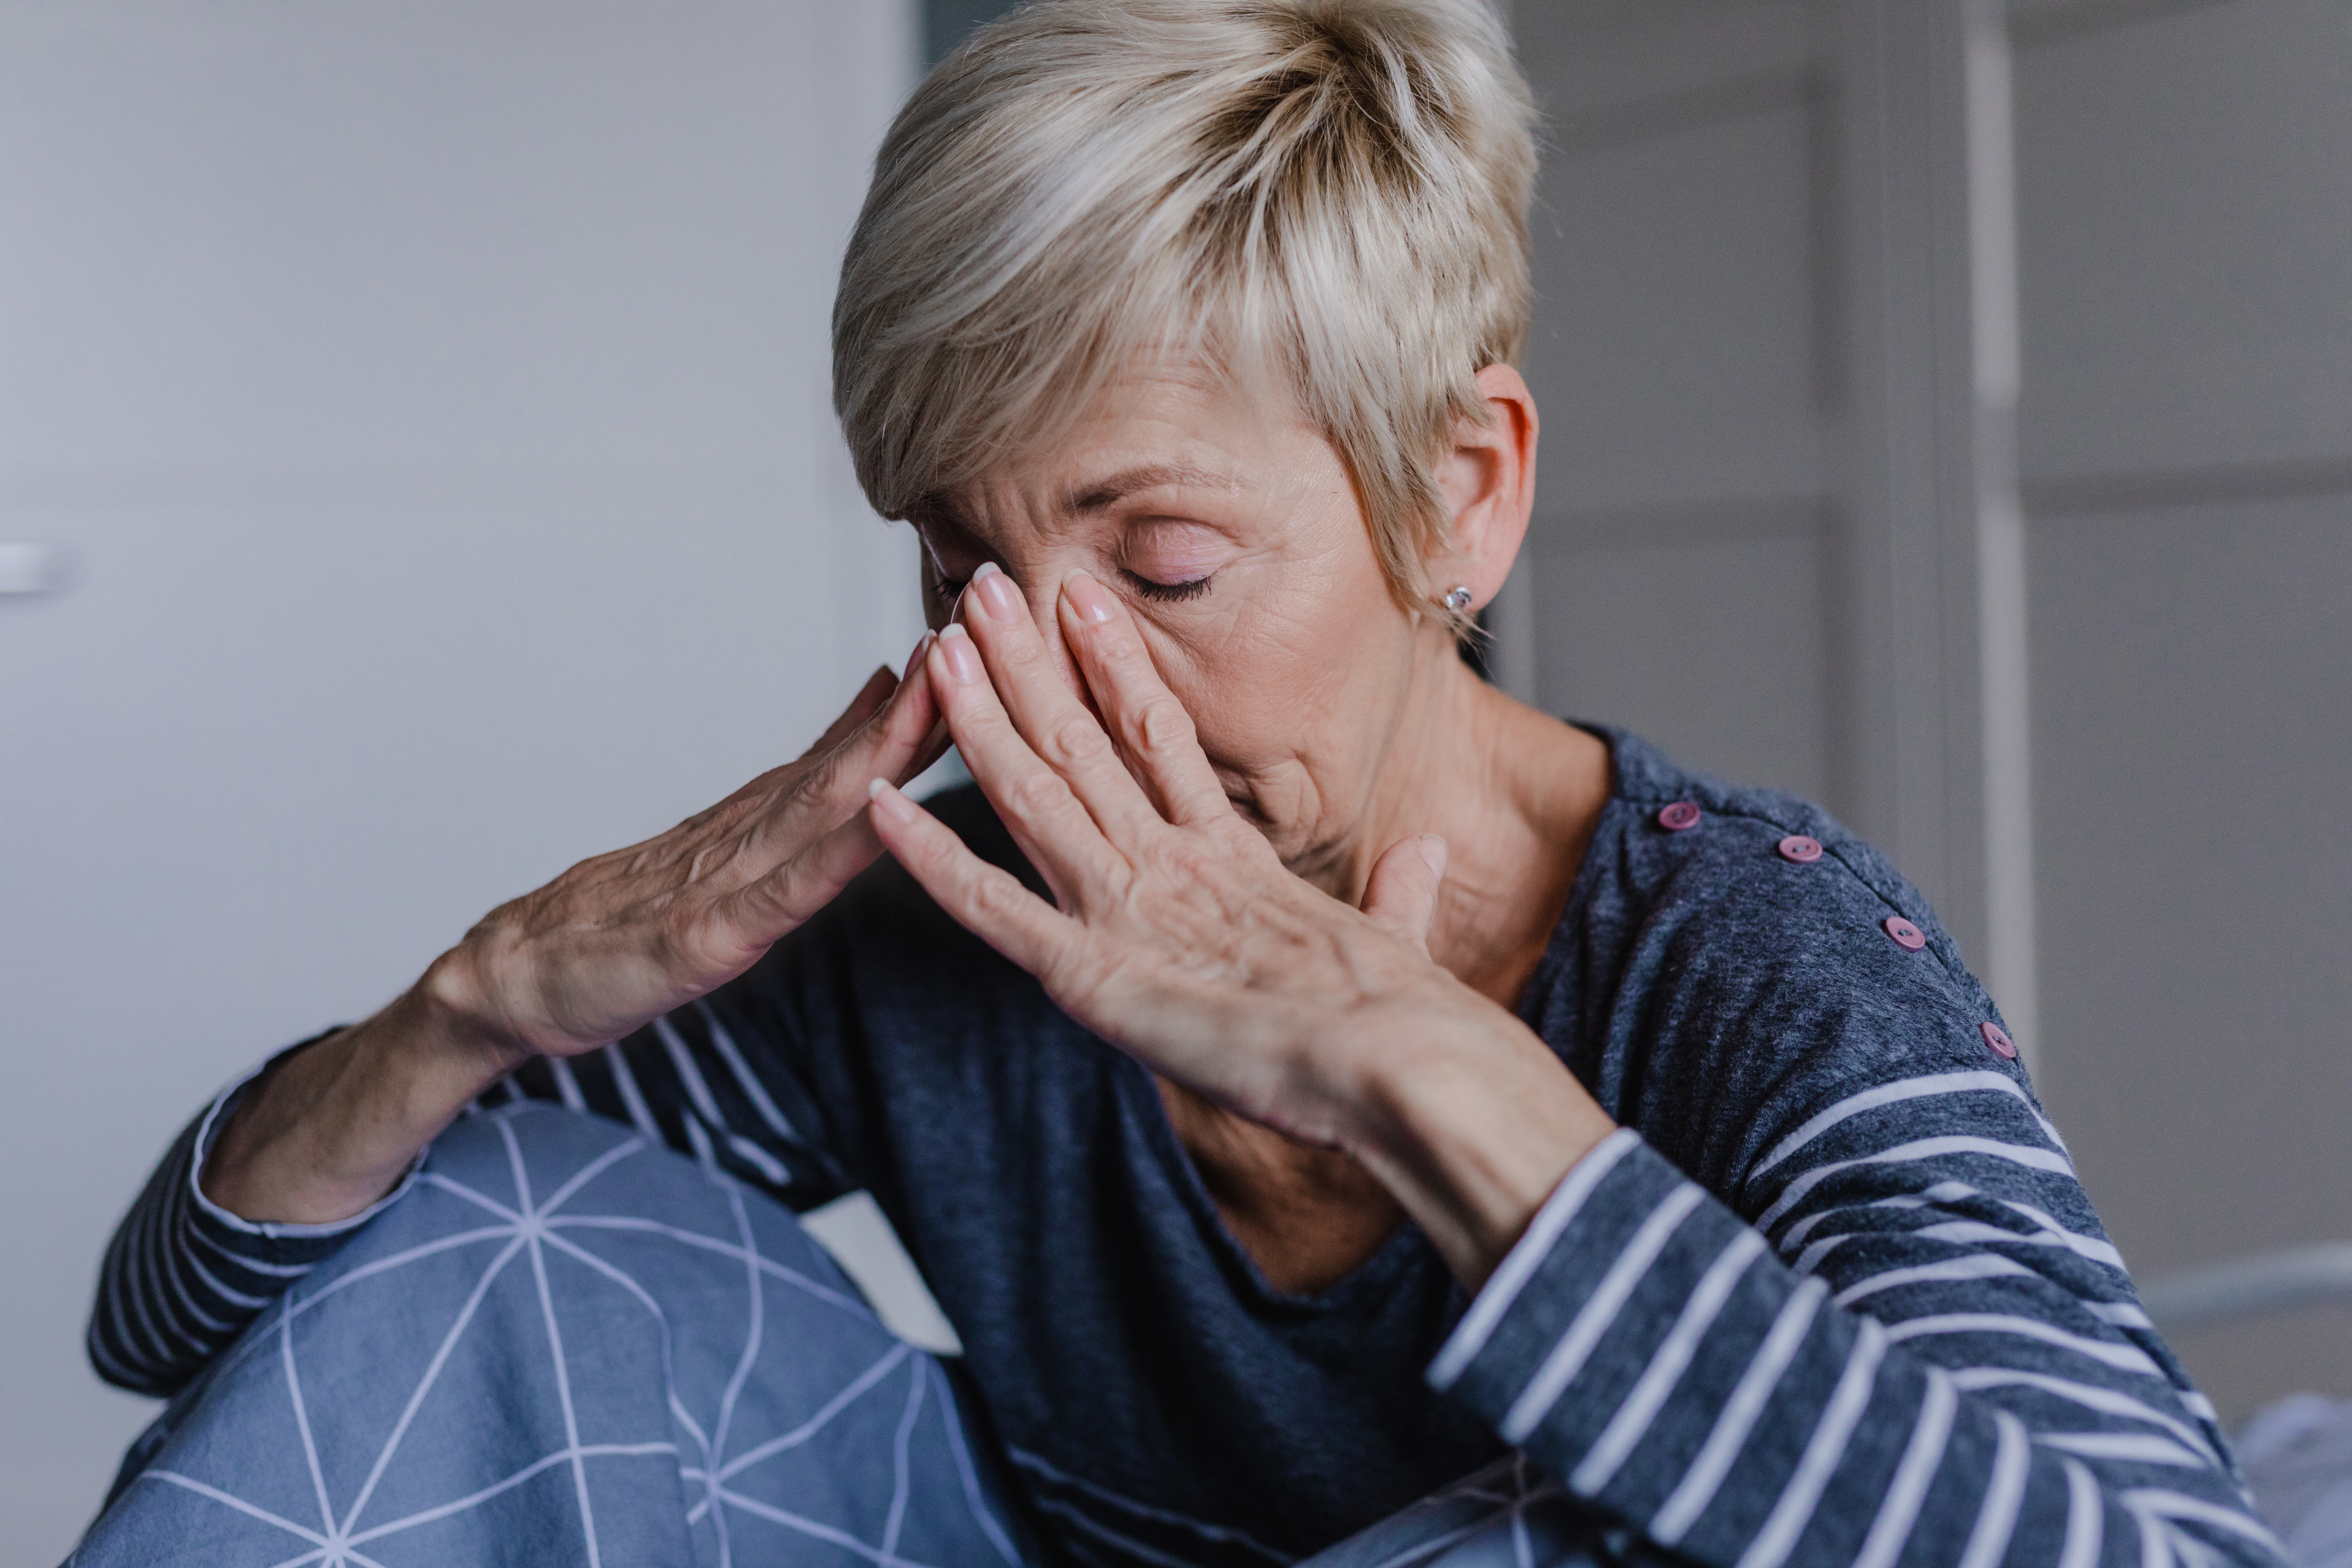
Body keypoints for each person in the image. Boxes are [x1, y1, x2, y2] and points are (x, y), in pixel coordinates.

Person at [77, 2, 2282, 1566]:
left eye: (1169, 560)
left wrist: (1426, 1072)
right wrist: (466, 1004)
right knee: (492, 1218)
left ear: (1465, 497)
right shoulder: (953, 910)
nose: (1043, 678)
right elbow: (173, 1332)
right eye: (962, 561)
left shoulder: (1759, 947)